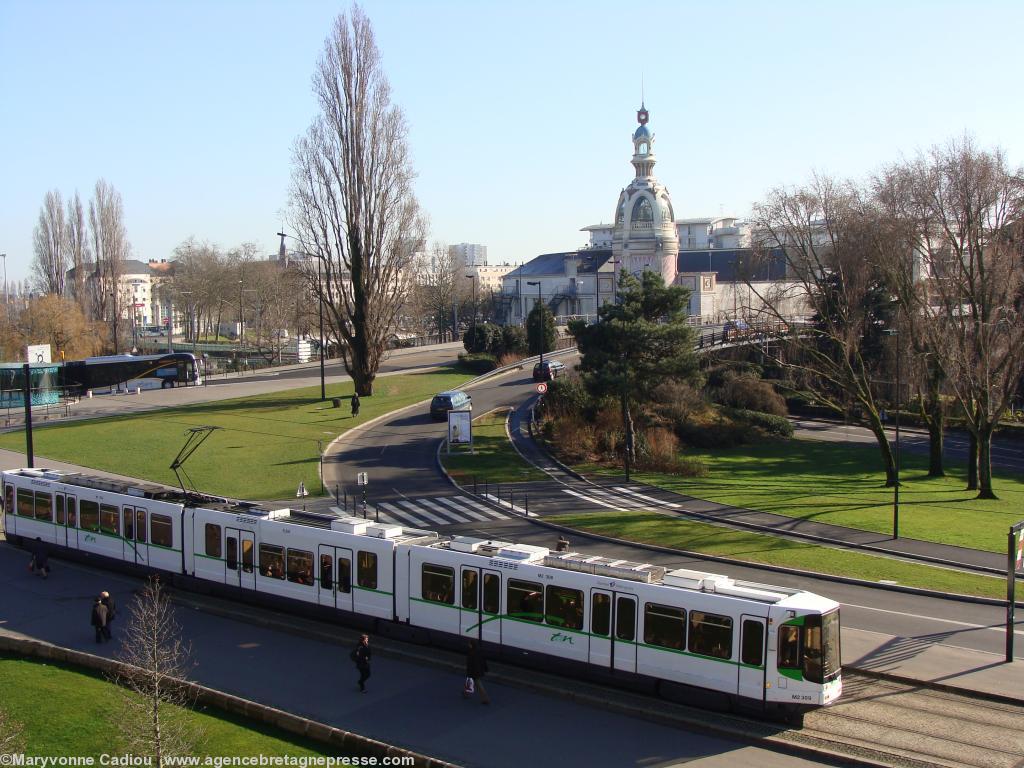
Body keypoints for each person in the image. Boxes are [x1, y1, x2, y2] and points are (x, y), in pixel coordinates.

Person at [464, 640, 490, 705]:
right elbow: (483, 661)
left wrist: (469, 672)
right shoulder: (479, 651)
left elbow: (470, 664)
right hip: (478, 670)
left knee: (477, 684)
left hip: (473, 671)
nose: (468, 645)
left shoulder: (471, 653)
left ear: (471, 645)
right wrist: (486, 669)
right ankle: (466, 693)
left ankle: (485, 698)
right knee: (471, 682)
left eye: (469, 644)